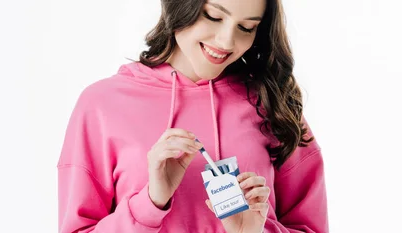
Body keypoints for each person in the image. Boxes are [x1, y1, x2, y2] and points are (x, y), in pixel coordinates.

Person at [57, 0, 328, 232]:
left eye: (246, 27)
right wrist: (150, 203)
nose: (226, 41)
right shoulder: (103, 104)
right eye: (213, 15)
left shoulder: (272, 104)